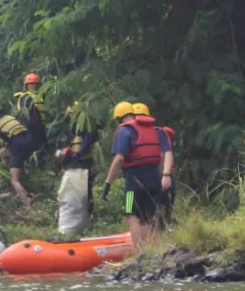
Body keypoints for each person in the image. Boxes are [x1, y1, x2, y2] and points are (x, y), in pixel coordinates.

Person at [103, 101, 175, 245]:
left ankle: (139, 251)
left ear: (119, 118)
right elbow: (168, 153)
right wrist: (166, 175)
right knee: (148, 217)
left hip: (132, 183)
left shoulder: (124, 131)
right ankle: (150, 249)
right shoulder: (157, 131)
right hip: (155, 180)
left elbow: (119, 158)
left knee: (131, 214)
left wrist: (108, 183)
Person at [55, 105, 101, 214]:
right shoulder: (74, 131)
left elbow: (119, 157)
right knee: (80, 190)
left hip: (86, 163)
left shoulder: (88, 128)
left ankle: (131, 215)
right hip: (137, 174)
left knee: (85, 190)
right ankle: (133, 216)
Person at [15, 73, 48, 153]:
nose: (34, 86)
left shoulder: (41, 96)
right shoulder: (26, 97)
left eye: (36, 84)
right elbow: (25, 115)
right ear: (27, 85)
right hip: (31, 128)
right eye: (32, 84)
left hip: (41, 126)